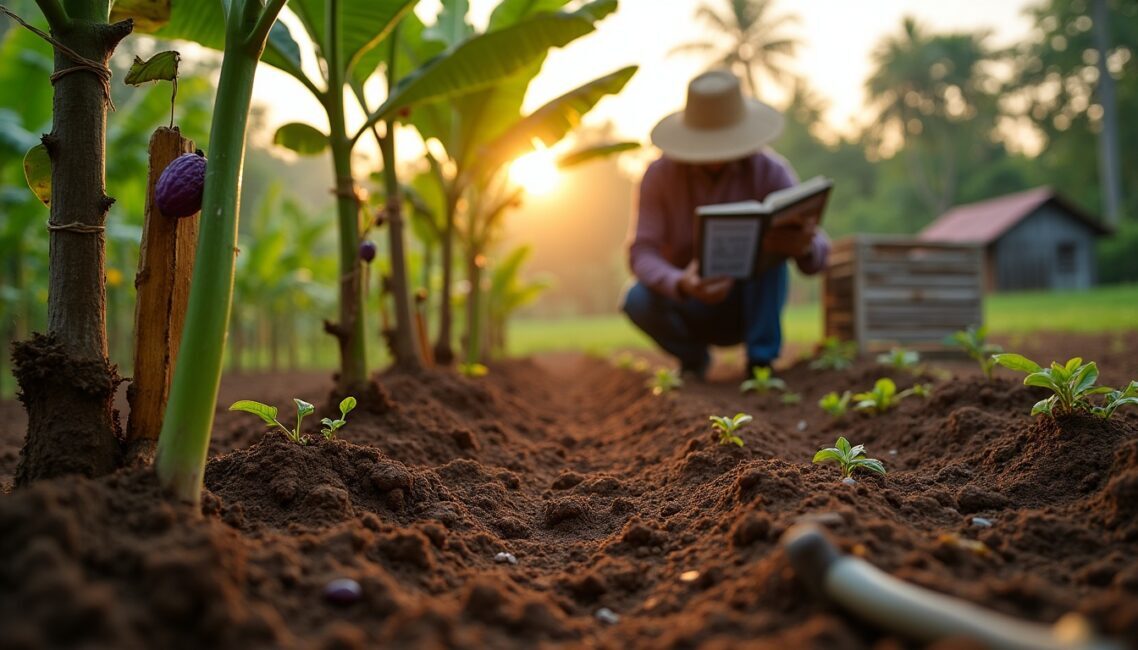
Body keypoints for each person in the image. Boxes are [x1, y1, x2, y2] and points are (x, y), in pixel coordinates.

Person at [622, 69, 830, 380]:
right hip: (688, 301)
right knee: (636, 299)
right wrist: (681, 282)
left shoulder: (770, 171)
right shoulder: (659, 176)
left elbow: (820, 251)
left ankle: (761, 364)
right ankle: (693, 358)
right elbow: (641, 252)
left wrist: (804, 245)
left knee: (773, 260)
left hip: (747, 304)